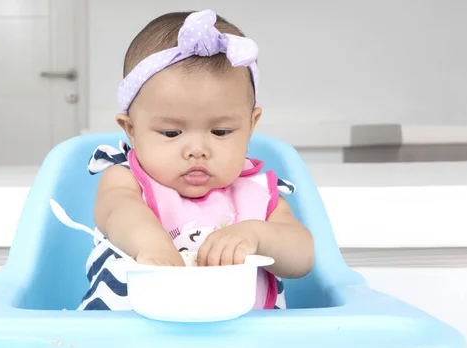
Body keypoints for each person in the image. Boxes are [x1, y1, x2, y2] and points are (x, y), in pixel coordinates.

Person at [79, 10, 314, 311]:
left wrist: (257, 235)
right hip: (133, 345)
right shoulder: (125, 180)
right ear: (131, 130)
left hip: (243, 347)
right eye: (172, 132)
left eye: (220, 131)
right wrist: (151, 245)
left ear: (251, 125)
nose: (197, 150)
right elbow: (118, 212)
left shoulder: (258, 195)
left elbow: (302, 256)